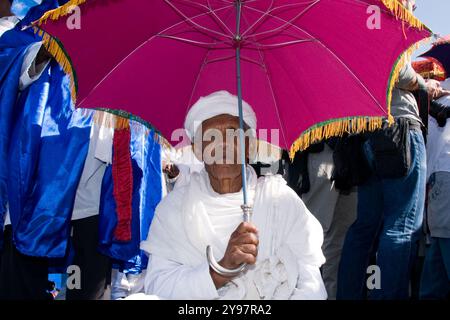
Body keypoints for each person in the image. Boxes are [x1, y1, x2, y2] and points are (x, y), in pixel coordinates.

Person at [140, 90, 327, 300]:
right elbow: (158, 286)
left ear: (249, 146)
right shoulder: (173, 208)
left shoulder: (279, 200)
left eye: (233, 134)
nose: (223, 146)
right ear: (198, 150)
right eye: (211, 137)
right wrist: (220, 271)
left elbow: (311, 285)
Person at [337, 57, 449, 300]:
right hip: (399, 128)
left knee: (367, 227)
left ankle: (356, 294)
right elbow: (393, 65)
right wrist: (423, 84)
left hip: (365, 130)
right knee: (401, 226)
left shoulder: (349, 25)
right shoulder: (383, 17)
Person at [420, 77, 450, 299]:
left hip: (442, 177)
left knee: (437, 263)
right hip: (443, 177)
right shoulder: (441, 92)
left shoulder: (439, 93)